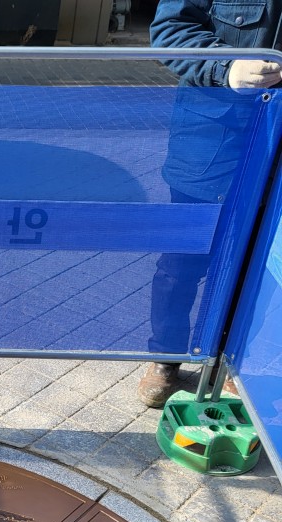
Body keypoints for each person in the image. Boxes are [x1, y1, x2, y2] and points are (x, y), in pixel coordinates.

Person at [137, 0, 282, 407]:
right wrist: (227, 67)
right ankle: (165, 359)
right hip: (212, 145)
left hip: (277, 156)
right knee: (182, 264)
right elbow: (170, 30)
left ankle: (228, 364)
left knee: (259, 269)